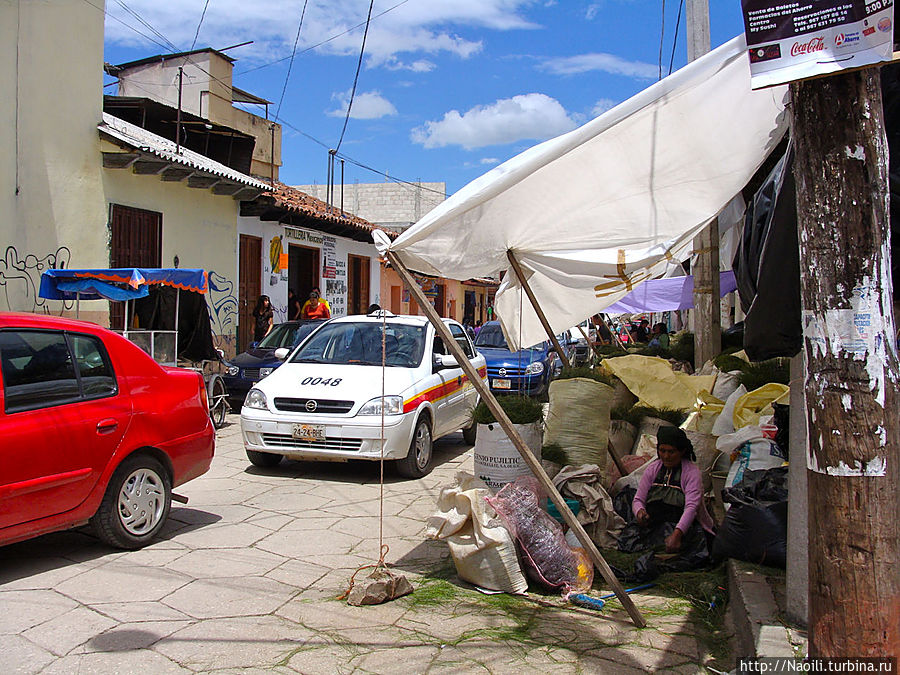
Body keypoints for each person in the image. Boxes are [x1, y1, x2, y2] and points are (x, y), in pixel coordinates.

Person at [631, 426, 715, 553]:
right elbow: (638, 499)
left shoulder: (691, 473)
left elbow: (691, 508)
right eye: (662, 451)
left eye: (671, 452)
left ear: (682, 451)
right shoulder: (652, 469)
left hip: (685, 527)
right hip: (655, 524)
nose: (666, 456)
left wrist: (677, 535)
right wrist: (640, 512)